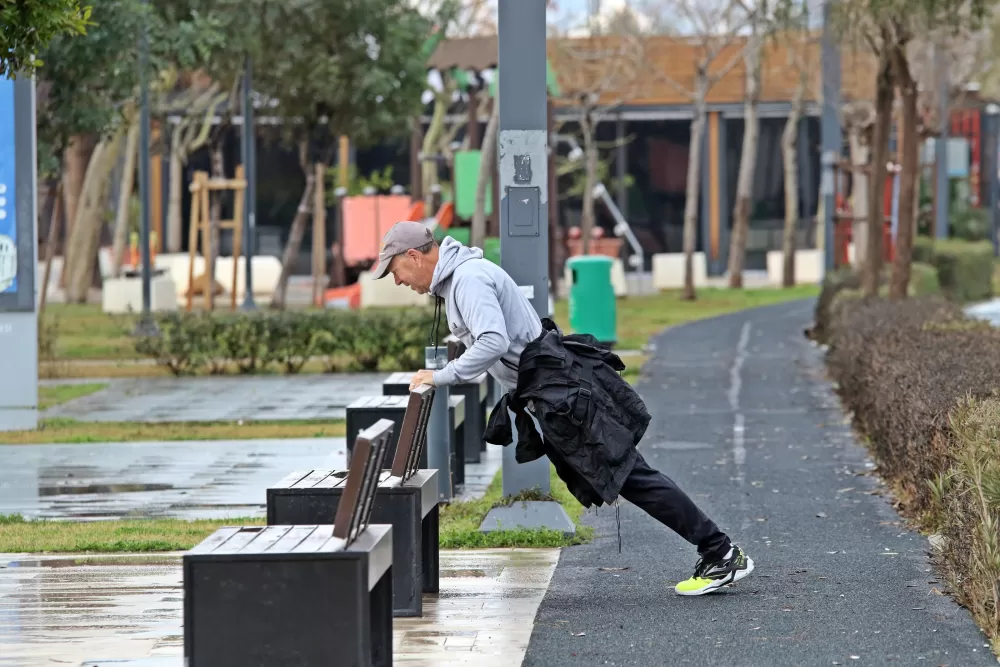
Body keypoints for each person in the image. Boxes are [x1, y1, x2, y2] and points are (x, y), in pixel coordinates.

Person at [371, 221, 754, 596]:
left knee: (631, 475)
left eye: (395, 271)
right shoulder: (462, 278)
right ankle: (718, 550)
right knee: (628, 475)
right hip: (553, 388)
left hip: (560, 390)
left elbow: (491, 340)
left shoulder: (468, 279)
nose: (398, 281)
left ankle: (720, 551)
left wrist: (440, 377)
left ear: (413, 256)